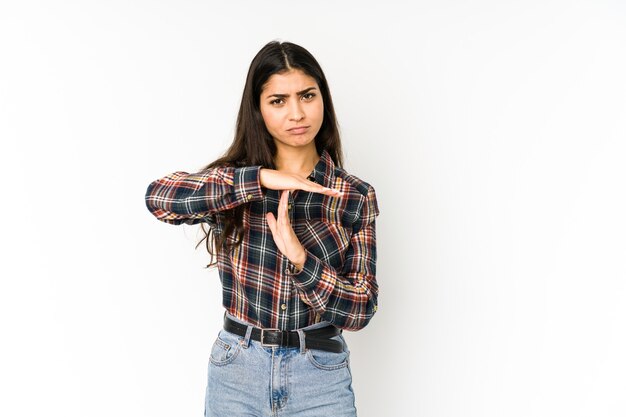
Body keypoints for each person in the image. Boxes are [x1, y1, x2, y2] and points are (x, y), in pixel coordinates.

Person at [145, 40, 380, 417]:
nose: (297, 113)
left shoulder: (353, 195)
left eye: (307, 95)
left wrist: (303, 262)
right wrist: (258, 180)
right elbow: (159, 198)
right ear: (258, 109)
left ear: (324, 99)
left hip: (320, 373)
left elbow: (360, 310)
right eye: (278, 101)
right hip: (238, 368)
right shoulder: (235, 183)